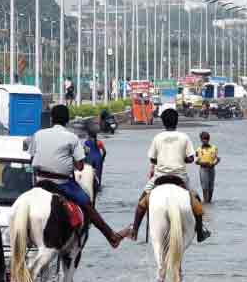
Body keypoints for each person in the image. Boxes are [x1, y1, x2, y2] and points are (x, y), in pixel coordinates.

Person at [28, 105, 125, 248]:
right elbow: (80, 166)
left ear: (51, 119)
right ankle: (111, 236)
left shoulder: (38, 134)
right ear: (67, 120)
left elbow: (31, 158)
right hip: (62, 184)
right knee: (87, 203)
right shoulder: (72, 138)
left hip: (39, 181)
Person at [127, 109, 210, 242]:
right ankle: (200, 232)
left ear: (163, 122)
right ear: (176, 121)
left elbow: (152, 160)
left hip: (160, 177)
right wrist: (181, 158)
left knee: (141, 202)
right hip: (180, 177)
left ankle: (135, 230)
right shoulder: (184, 137)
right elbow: (190, 158)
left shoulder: (157, 137)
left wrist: (161, 160)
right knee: (197, 200)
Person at [195, 131, 220, 203]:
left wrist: (215, 163)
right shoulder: (199, 150)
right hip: (203, 169)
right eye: (204, 138)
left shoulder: (214, 148)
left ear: (209, 139)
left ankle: (209, 202)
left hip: (212, 169)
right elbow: (196, 161)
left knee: (211, 187)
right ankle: (205, 201)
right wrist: (202, 163)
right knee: (205, 187)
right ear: (201, 139)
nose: (205, 140)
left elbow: (217, 159)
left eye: (207, 138)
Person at [83, 126, 106, 192]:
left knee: (89, 174)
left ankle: (90, 186)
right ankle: (98, 187)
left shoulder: (86, 142)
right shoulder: (99, 142)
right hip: (98, 159)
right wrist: (102, 159)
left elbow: (85, 152)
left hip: (89, 159)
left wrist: (85, 160)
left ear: (89, 135)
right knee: (98, 174)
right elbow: (104, 151)